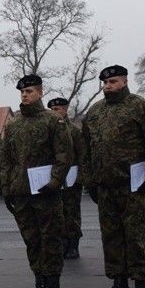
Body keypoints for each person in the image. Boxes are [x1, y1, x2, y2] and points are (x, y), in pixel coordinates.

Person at [82, 65, 145, 288]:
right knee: (111, 237)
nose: (108, 86)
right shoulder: (95, 112)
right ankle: (119, 284)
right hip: (106, 185)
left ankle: (140, 283)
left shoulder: (139, 107)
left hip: (132, 184)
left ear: (125, 81)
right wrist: (90, 181)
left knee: (134, 234)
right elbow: (86, 150)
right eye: (105, 83)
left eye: (113, 82)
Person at [1, 76, 71, 288]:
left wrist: (55, 182)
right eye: (22, 92)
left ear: (40, 93)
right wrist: (7, 189)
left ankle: (53, 285)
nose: (25, 95)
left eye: (29, 91)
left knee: (50, 238)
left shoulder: (53, 121)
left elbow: (64, 156)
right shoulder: (14, 124)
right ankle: (39, 282)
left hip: (45, 192)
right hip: (21, 192)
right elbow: (8, 160)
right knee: (31, 239)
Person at [49, 97, 84, 259]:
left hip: (72, 178)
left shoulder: (74, 131)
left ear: (65, 110)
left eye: (58, 109)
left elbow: (82, 155)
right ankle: (62, 243)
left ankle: (73, 244)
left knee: (72, 213)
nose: (55, 112)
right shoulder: (50, 130)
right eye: (53, 110)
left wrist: (81, 177)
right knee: (57, 213)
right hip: (55, 179)